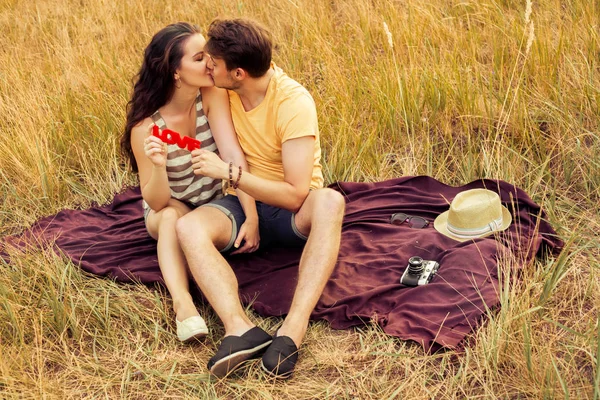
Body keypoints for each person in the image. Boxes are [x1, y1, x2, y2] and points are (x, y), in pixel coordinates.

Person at [175, 18, 346, 378]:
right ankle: (240, 329)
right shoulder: (221, 91)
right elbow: (235, 154)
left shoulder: (293, 102)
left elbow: (296, 193)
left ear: (238, 73)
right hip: (245, 199)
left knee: (331, 201)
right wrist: (249, 216)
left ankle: (293, 329)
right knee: (188, 227)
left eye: (213, 63)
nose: (208, 66)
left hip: (292, 210)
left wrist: (230, 176)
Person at [120, 22, 259, 343]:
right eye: (199, 59)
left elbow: (232, 154)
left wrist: (251, 215)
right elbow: (155, 201)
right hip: (169, 205)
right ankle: (184, 306)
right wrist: (158, 165)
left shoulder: (209, 96)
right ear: (175, 72)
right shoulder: (147, 128)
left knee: (194, 223)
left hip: (213, 203)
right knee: (170, 216)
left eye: (208, 56)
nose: (210, 64)